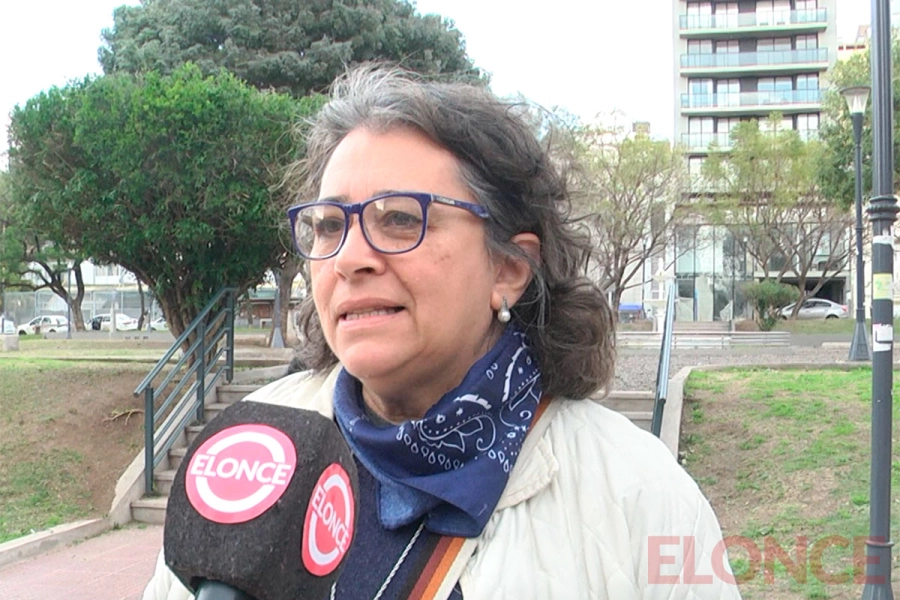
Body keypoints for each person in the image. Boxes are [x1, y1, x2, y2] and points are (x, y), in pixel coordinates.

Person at [143, 65, 740, 599]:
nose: (350, 258)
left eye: (401, 218)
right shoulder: (246, 452)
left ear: (508, 268)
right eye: (328, 225)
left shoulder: (637, 495)